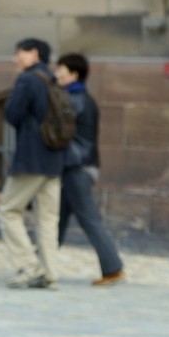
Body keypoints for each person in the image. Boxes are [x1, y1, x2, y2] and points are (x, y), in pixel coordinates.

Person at [0, 37, 65, 291]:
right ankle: (50, 273)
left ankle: (28, 266)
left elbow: (12, 114)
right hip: (54, 158)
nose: (16, 59)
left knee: (8, 210)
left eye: (20, 54)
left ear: (34, 54)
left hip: (31, 158)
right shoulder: (54, 78)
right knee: (48, 219)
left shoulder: (28, 79)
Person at [55, 52, 125, 286]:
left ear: (74, 75)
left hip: (77, 167)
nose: (57, 75)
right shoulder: (79, 98)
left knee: (88, 219)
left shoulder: (76, 99)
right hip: (75, 166)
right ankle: (41, 263)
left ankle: (113, 268)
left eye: (60, 71)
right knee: (58, 219)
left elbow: (60, 131)